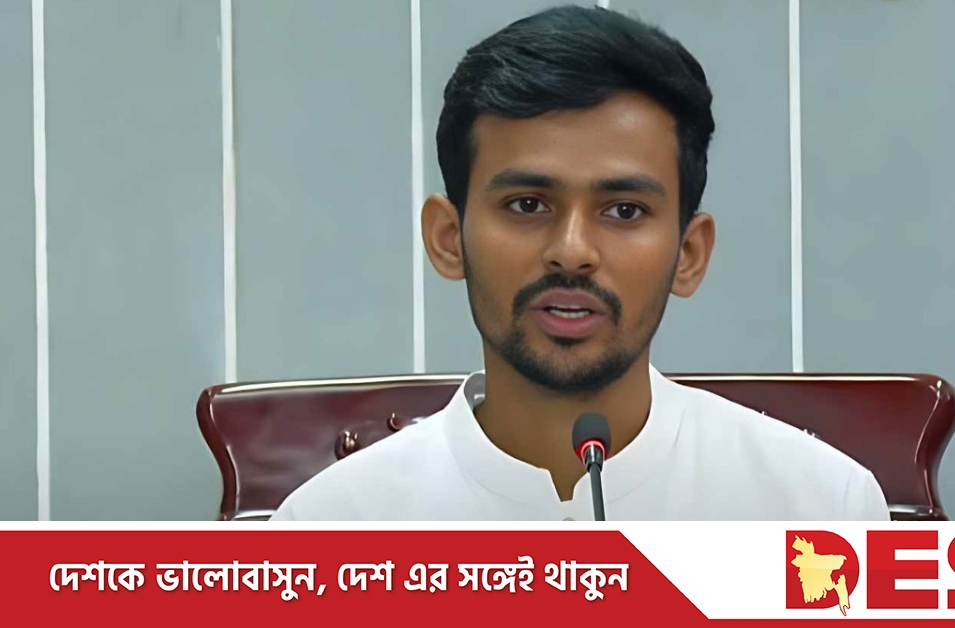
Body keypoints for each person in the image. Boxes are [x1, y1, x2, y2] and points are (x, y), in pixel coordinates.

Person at [272, 5, 889, 521]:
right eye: (528, 204)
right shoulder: (326, 531)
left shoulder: (823, 511)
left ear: (689, 254)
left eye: (623, 211)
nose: (572, 250)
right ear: (448, 238)